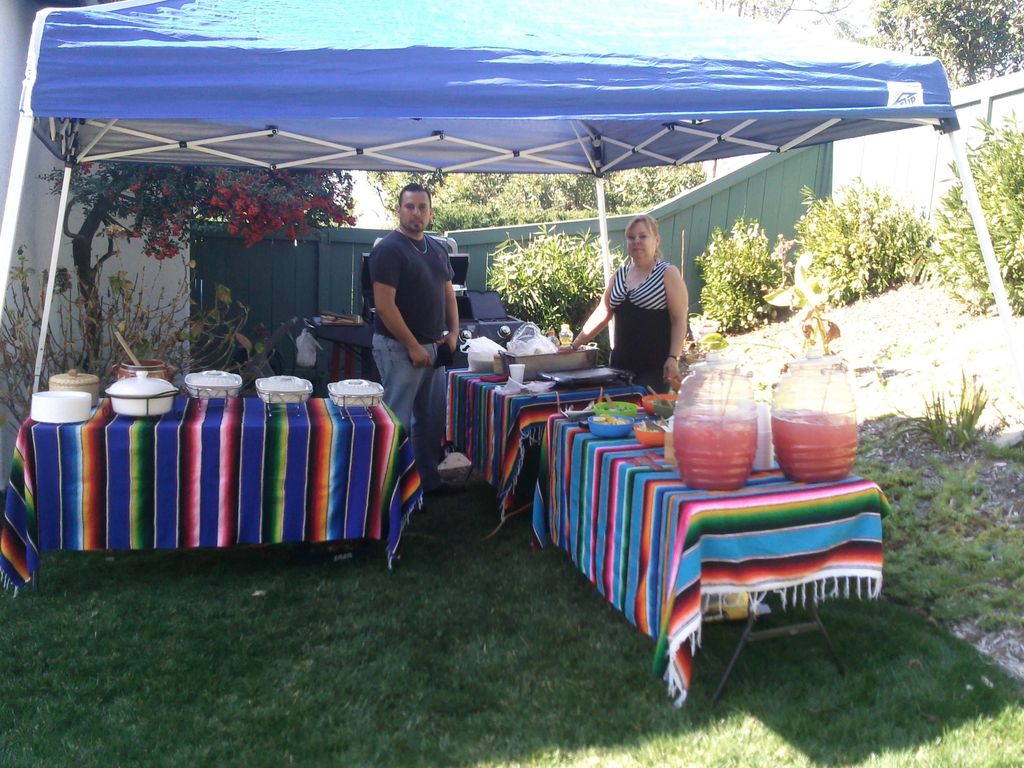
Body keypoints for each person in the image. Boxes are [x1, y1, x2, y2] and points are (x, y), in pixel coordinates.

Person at [369, 183, 461, 495]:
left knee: (430, 423)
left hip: (434, 349)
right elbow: (384, 306)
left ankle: (427, 484)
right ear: (398, 210)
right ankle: (391, 493)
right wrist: (411, 345)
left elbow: (448, 293)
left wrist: (454, 333)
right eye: (409, 206)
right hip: (399, 350)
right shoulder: (389, 250)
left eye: (422, 207)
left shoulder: (437, 249)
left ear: (431, 212)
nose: (416, 213)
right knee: (397, 424)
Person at [568, 215, 688, 392]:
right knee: (614, 415)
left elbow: (679, 319)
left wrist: (673, 357)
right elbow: (603, 311)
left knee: (643, 416)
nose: (636, 242)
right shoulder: (619, 274)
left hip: (654, 369)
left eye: (643, 236)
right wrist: (574, 345)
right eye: (631, 238)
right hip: (619, 366)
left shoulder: (668, 273)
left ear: (656, 240)